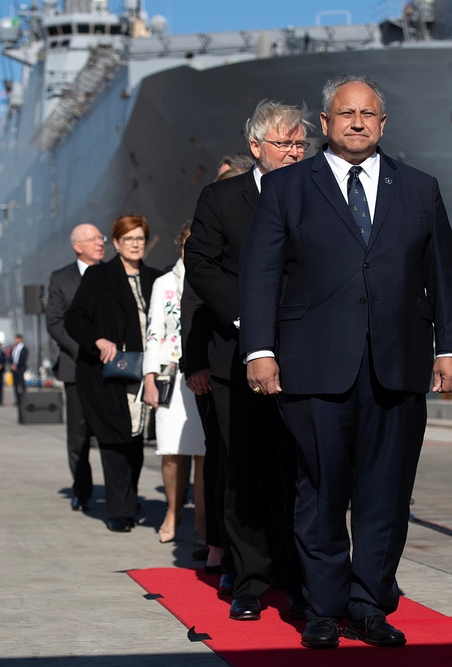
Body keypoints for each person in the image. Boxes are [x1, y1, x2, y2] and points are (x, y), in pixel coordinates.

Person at [239, 74, 452, 649]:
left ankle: (370, 605)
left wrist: (450, 347)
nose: (357, 123)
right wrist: (260, 351)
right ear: (326, 123)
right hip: (313, 365)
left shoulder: (419, 188)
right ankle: (321, 606)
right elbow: (261, 275)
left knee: (386, 494)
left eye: (368, 114)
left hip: (398, 363)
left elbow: (442, 275)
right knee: (319, 491)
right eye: (346, 114)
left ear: (383, 124)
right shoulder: (288, 188)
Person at [184, 100, 313, 622]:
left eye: (301, 144)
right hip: (236, 357)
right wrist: (249, 321)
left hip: (306, 353)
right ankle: (251, 579)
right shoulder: (219, 199)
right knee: (245, 471)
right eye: (285, 144)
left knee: (302, 470)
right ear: (257, 147)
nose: (295, 152)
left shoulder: (319, 191)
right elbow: (202, 263)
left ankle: (298, 574)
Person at [65, 214, 160, 533]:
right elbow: (74, 319)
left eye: (140, 239)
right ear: (116, 243)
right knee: (114, 439)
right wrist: (98, 340)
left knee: (135, 441)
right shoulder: (98, 276)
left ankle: (129, 501)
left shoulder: (155, 279)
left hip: (147, 372)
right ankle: (119, 509)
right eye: (128, 239)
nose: (135, 245)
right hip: (108, 373)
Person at [142, 222, 207, 545]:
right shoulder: (164, 283)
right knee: (169, 451)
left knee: (204, 454)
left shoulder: (210, 278)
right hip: (171, 374)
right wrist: (149, 377)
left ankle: (202, 522)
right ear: (180, 247)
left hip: (203, 373)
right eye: (187, 246)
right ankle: (172, 511)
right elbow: (153, 331)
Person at [46, 224, 105, 512]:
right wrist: (87, 347)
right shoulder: (60, 279)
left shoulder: (112, 273)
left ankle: (121, 494)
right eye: (93, 239)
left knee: (116, 431)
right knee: (78, 434)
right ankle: (81, 491)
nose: (100, 242)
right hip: (75, 365)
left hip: (111, 366)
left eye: (101, 238)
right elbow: (54, 322)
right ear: (77, 246)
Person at [9, 334, 28, 407]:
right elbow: (11, 358)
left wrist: (17, 365)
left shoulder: (24, 349)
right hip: (14, 369)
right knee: (15, 385)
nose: (16, 340)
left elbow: (23, 359)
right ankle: (17, 400)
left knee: (22, 384)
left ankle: (24, 399)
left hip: (20, 368)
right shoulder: (13, 348)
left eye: (18, 339)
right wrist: (12, 365)